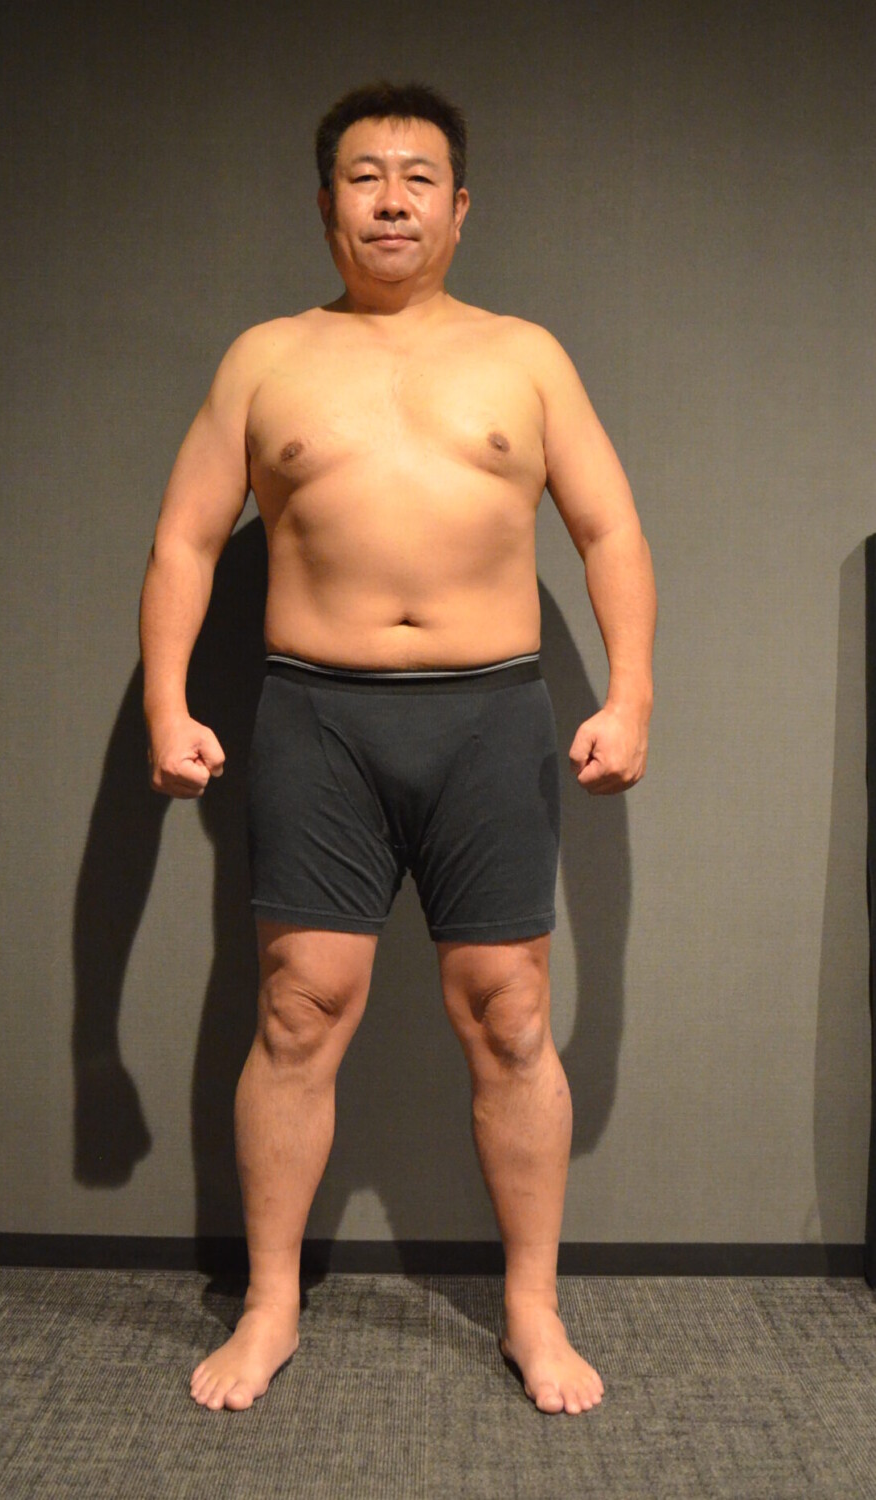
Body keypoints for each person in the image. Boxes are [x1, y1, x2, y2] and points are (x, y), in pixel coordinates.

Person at [138, 80, 656, 1417]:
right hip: (318, 716)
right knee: (296, 1008)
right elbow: (185, 538)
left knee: (511, 1013)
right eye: (364, 176)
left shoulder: (526, 356)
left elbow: (607, 528)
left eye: (418, 178)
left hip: (490, 716)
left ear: (458, 207)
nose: (390, 200)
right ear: (327, 205)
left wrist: (631, 695)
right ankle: (270, 1304)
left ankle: (532, 1309)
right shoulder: (265, 358)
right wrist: (166, 704)